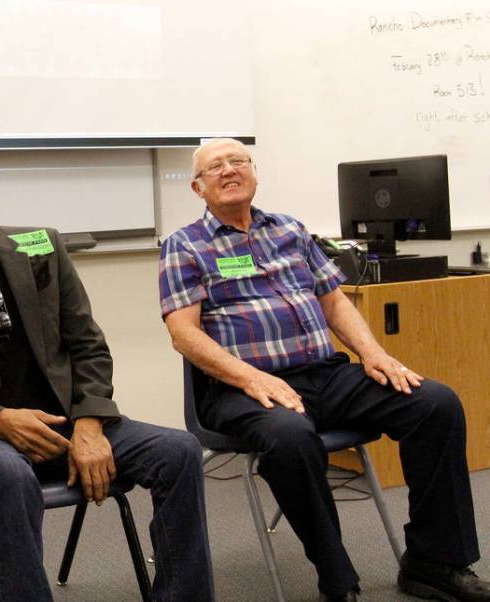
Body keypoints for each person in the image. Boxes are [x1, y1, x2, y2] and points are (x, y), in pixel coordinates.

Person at [159, 138, 489, 602]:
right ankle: (337, 579)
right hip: (245, 388)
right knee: (290, 438)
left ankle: (435, 562)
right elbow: (184, 334)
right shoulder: (184, 246)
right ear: (197, 187)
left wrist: (373, 353)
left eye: (238, 161)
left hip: (326, 374)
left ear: (254, 173)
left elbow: (334, 302)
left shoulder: (291, 230)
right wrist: (253, 378)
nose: (229, 170)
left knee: (436, 404)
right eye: (215, 166)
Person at [0, 156, 214, 602]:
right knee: (9, 473)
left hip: (70, 424)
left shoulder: (41, 247)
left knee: (180, 451)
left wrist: (90, 424)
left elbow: (87, 344)